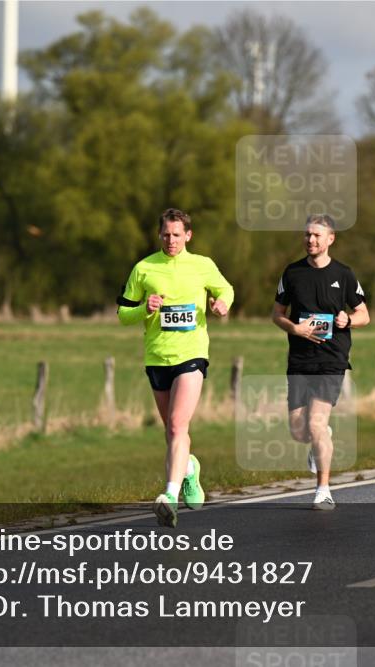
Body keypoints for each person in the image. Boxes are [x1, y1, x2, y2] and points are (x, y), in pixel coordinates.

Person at [118, 208, 234, 527]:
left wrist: (222, 304)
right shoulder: (144, 268)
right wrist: (145, 307)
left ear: (188, 236)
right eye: (166, 235)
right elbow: (123, 313)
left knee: (176, 425)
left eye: (177, 235)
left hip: (192, 352)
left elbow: (225, 289)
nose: (171, 240)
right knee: (172, 432)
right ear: (160, 235)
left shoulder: (202, 265)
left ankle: (169, 496)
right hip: (157, 357)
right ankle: (190, 469)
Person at [271, 214, 370, 509]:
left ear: (330, 239)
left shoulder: (344, 274)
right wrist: (296, 328)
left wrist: (347, 318)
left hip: (331, 359)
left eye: (316, 235)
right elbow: (277, 314)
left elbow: (364, 315)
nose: (310, 240)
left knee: (315, 423)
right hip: (300, 359)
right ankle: (320, 439)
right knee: (299, 431)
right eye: (307, 235)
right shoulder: (292, 273)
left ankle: (323, 490)